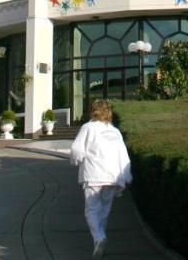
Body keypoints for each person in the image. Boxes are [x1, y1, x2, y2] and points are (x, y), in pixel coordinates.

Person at [69, 99, 131, 260]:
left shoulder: (88, 127)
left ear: (93, 111)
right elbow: (123, 156)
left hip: (93, 174)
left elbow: (76, 149)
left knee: (91, 210)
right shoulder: (115, 131)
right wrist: (126, 176)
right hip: (112, 176)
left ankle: (99, 238)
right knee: (104, 210)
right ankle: (98, 241)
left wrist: (77, 160)